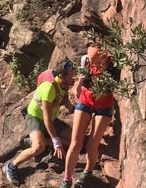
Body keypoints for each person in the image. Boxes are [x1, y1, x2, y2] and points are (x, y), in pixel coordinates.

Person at [2, 60, 77, 186]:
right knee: (38, 147)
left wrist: (69, 105)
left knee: (72, 141)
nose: (74, 77)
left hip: (51, 119)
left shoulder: (64, 84)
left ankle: (35, 140)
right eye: (71, 75)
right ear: (62, 76)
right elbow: (46, 119)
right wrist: (56, 141)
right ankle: (11, 166)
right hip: (36, 116)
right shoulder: (49, 88)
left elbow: (62, 96)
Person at [61, 42, 116, 188]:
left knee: (91, 146)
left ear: (105, 57)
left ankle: (88, 171)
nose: (93, 65)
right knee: (75, 144)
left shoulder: (113, 66)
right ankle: (66, 180)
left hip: (103, 107)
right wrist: (78, 88)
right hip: (85, 103)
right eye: (91, 62)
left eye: (97, 62)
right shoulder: (86, 60)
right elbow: (81, 80)